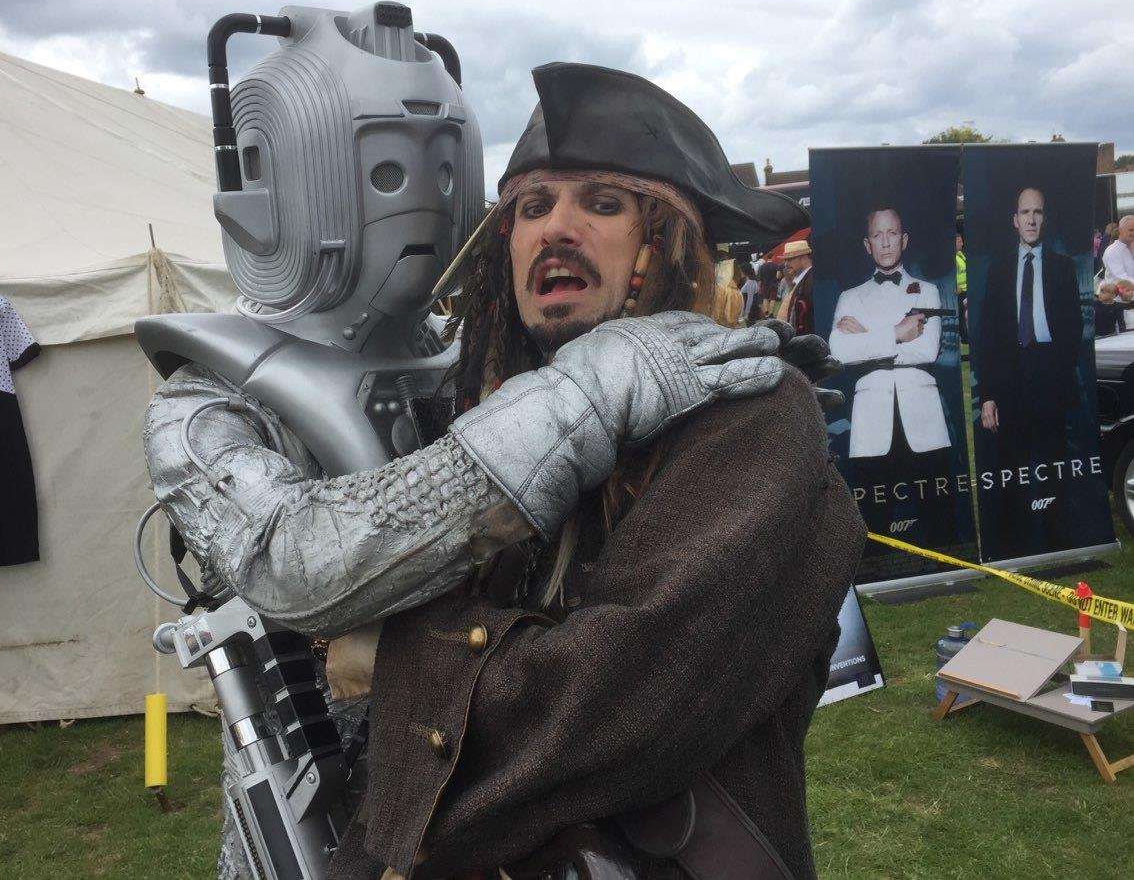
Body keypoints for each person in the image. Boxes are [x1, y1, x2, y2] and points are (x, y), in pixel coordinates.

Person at [146, 62, 862, 880]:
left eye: (601, 203)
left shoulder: (753, 418)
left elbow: (615, 704)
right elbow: (305, 560)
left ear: (667, 240)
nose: (556, 228)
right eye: (530, 207)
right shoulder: (480, 414)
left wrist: (391, 659)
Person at [828, 208, 955, 544]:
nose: (885, 242)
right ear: (867, 245)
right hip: (871, 422)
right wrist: (898, 332)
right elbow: (839, 352)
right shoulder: (849, 297)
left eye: (892, 234)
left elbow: (927, 351)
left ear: (904, 239)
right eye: (877, 235)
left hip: (923, 420)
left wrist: (867, 336)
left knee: (937, 516)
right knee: (874, 519)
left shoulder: (927, 291)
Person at [975, 186, 1081, 556]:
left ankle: (1057, 541)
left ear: (1044, 218)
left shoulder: (1064, 267)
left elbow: (1073, 331)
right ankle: (1016, 544)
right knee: (1013, 466)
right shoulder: (999, 271)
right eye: (1025, 212)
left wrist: (1058, 372)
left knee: (1053, 465)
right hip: (1009, 383)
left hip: (1051, 381)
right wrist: (987, 393)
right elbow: (986, 335)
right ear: (1014, 220)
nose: (1032, 219)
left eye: (1038, 212)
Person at [776, 237, 814, 334]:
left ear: (804, 257)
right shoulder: (803, 279)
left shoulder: (811, 280)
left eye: (790, 259)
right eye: (785, 260)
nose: (786, 264)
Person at [738, 258, 761, 324]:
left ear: (744, 271)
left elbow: (750, 299)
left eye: (740, 271)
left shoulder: (750, 283)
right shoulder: (751, 281)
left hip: (751, 310)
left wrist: (746, 313)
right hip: (753, 308)